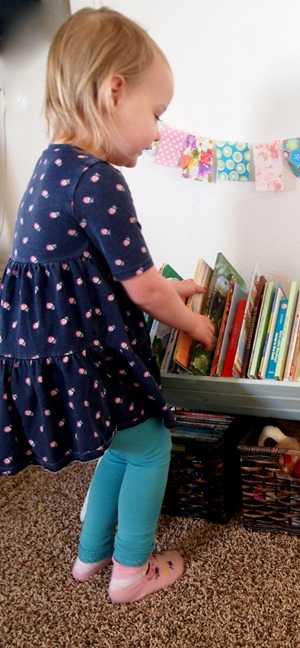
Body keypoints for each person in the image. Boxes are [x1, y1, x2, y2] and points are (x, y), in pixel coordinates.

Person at [0, 7, 215, 604]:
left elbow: (115, 270)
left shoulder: (52, 166)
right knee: (151, 445)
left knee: (122, 443)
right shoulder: (98, 178)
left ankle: (91, 556)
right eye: (156, 114)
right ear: (113, 91)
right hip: (85, 351)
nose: (156, 132)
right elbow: (141, 287)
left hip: (54, 351)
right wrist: (192, 320)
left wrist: (174, 289)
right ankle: (131, 572)